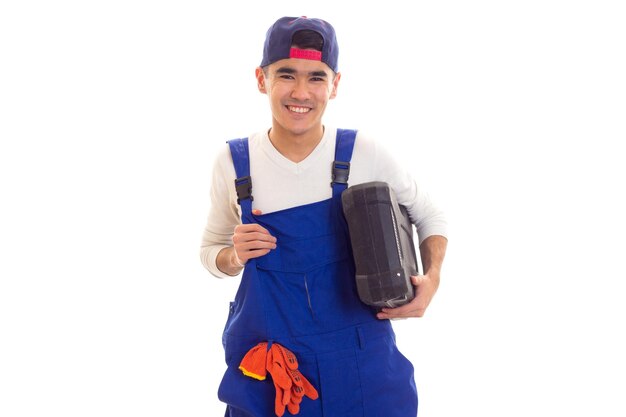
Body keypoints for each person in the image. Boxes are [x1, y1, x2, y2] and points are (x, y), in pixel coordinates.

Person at [200, 16, 448, 417]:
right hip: (275, 377)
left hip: (363, 372)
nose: (301, 91)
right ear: (262, 79)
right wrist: (234, 254)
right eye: (286, 75)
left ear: (334, 84)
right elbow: (211, 251)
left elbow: (430, 214)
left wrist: (431, 279)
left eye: (316, 77)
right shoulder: (234, 164)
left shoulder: (361, 152)